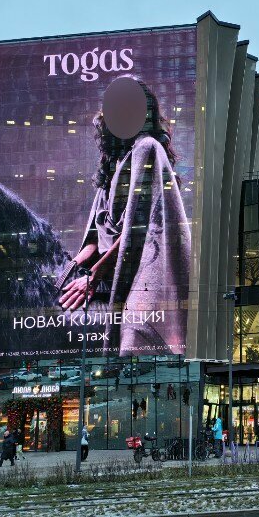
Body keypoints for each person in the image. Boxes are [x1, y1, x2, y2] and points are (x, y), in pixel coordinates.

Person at [58, 82, 191, 358]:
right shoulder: (111, 166)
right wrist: (67, 271)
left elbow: (138, 229)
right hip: (110, 272)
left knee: (133, 333)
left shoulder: (147, 148)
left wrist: (94, 277)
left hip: (140, 269)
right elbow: (96, 236)